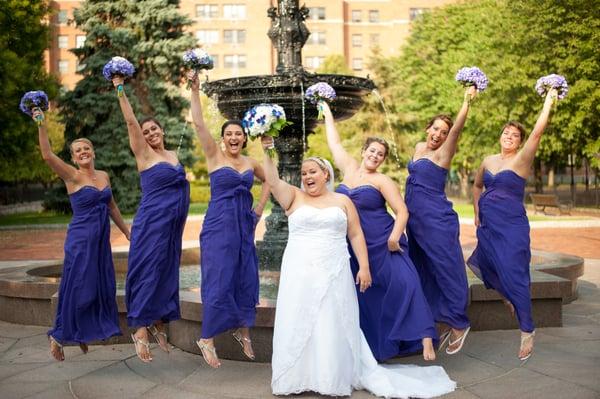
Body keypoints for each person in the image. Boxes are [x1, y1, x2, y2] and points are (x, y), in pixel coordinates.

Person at [261, 136, 456, 398]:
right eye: (304, 173)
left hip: (334, 270)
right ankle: (296, 375)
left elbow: (356, 235)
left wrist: (364, 267)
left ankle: (330, 377)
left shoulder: (343, 201)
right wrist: (267, 151)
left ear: (325, 174)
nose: (307, 176)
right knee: (297, 318)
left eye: (313, 172)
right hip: (299, 272)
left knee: (330, 320)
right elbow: (272, 180)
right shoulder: (294, 197)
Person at [320, 102, 437, 361]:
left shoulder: (382, 180)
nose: (375, 156)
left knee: (407, 283)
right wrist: (328, 113)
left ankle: (426, 336)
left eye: (381, 154)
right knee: (368, 292)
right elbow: (335, 144)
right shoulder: (348, 168)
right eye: (372, 150)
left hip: (385, 240)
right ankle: (377, 344)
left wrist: (395, 237)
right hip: (354, 243)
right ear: (364, 151)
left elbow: (402, 211)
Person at [187, 72, 270, 368]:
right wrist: (195, 90)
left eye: (239, 134)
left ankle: (242, 329)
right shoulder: (214, 157)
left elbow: (270, 181)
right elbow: (198, 123)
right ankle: (206, 338)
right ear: (223, 139)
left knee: (246, 275)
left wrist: (258, 210)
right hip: (219, 226)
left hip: (244, 225)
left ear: (245, 138)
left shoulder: (251, 163)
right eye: (229, 134)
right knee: (220, 278)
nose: (234, 138)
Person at [468, 88, 558, 361]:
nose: (509, 137)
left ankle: (527, 330)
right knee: (485, 264)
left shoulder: (522, 160)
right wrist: (476, 213)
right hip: (488, 226)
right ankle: (507, 298)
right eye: (506, 133)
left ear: (520, 142)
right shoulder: (488, 160)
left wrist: (548, 101)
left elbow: (538, 132)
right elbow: (476, 185)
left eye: (515, 135)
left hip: (512, 226)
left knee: (515, 273)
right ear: (501, 136)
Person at [34, 108, 129, 361]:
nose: (83, 153)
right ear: (74, 158)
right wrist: (41, 122)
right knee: (79, 287)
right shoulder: (72, 176)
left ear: (93, 153)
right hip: (80, 240)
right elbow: (46, 155)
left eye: (86, 149)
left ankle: (80, 333)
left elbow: (112, 207)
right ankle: (59, 335)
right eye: (78, 151)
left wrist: (127, 232)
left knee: (100, 287)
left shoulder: (103, 176)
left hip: (100, 242)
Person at [112, 76, 190, 363]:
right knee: (147, 271)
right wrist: (120, 89)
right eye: (146, 131)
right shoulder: (143, 154)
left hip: (172, 227)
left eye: (154, 128)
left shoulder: (172, 154)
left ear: (162, 130)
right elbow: (131, 122)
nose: (150, 133)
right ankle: (140, 328)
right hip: (152, 223)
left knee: (166, 272)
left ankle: (158, 321)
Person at [404, 86, 477, 354]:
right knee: (425, 270)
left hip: (435, 219)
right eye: (435, 129)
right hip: (415, 222)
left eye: (443, 133)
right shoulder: (418, 147)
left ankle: (459, 322)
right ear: (427, 129)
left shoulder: (443, 154)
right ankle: (441, 318)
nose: (438, 135)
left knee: (446, 268)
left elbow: (457, 129)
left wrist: (466, 102)